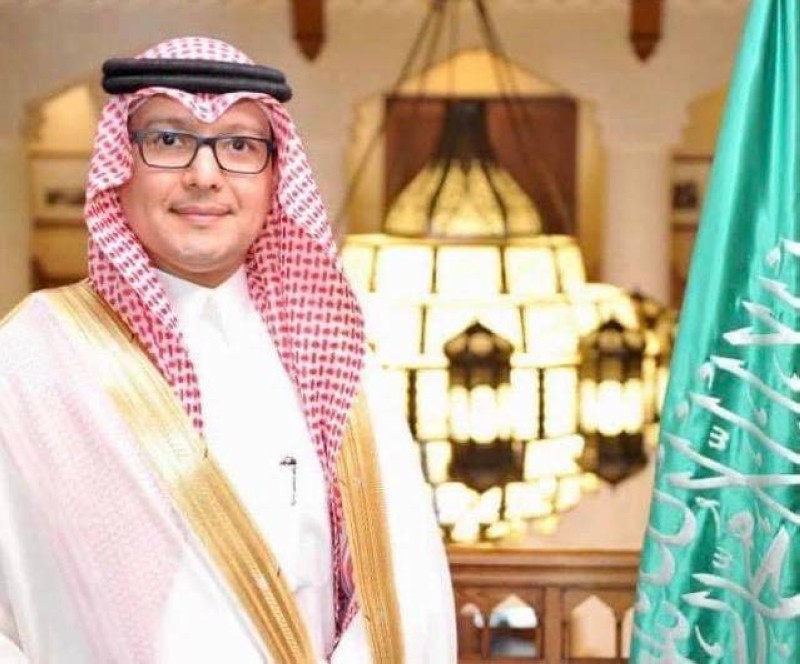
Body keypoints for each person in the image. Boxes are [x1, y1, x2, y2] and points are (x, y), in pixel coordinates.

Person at [0, 37, 456, 663]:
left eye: (240, 146)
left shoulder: (340, 359)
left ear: (274, 177)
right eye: (168, 140)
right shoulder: (33, 358)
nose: (204, 175)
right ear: (120, 166)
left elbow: (402, 586)